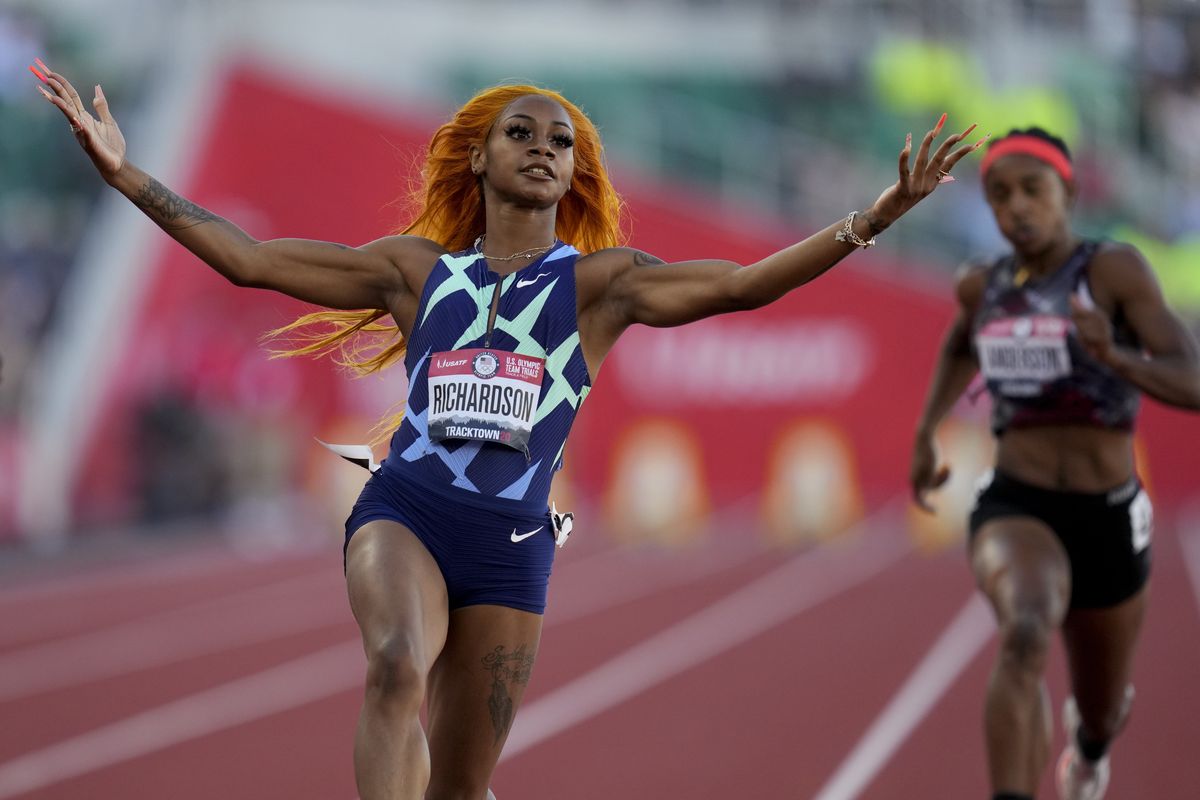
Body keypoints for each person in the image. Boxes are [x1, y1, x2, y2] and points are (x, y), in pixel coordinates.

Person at [35, 57, 980, 800]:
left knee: (458, 784)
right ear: (479, 157)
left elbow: (741, 286)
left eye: (559, 140)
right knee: (396, 666)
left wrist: (878, 215)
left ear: (574, 171)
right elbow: (248, 260)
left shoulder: (601, 286)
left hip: (513, 546)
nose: (540, 147)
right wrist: (126, 175)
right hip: (405, 511)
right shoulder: (413, 272)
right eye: (517, 133)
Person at [910, 128, 1200, 800]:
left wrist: (1116, 358)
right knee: (1027, 629)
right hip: (1019, 501)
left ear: (1067, 192)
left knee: (1101, 710)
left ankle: (1091, 749)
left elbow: (1193, 378)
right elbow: (959, 344)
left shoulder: (1114, 273)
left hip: (1108, 512)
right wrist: (928, 430)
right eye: (999, 195)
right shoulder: (980, 286)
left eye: (1031, 190)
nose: (1016, 207)